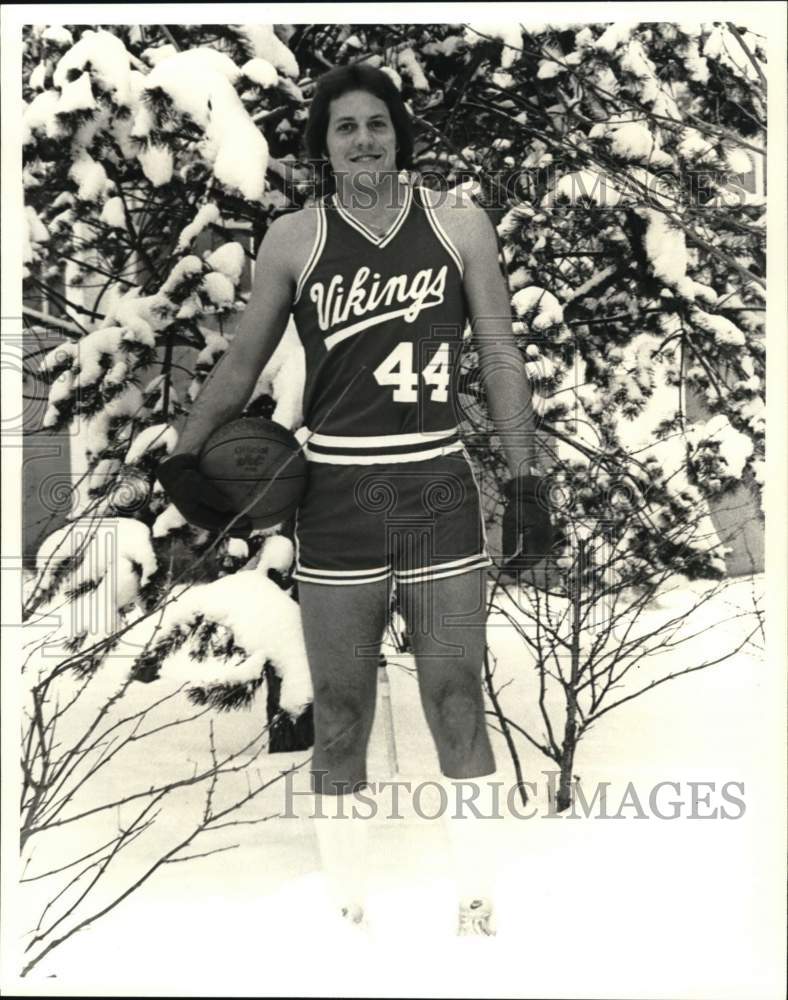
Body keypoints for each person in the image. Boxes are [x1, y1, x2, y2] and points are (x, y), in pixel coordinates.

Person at [157, 63, 554, 937]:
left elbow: (497, 355)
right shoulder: (297, 239)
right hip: (336, 499)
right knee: (340, 710)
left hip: (436, 494)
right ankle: (347, 918)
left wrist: (526, 481)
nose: (365, 139)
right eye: (346, 128)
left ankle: (477, 911)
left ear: (400, 134)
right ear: (323, 146)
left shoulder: (458, 226)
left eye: (378, 123)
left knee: (456, 697)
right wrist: (184, 456)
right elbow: (241, 362)